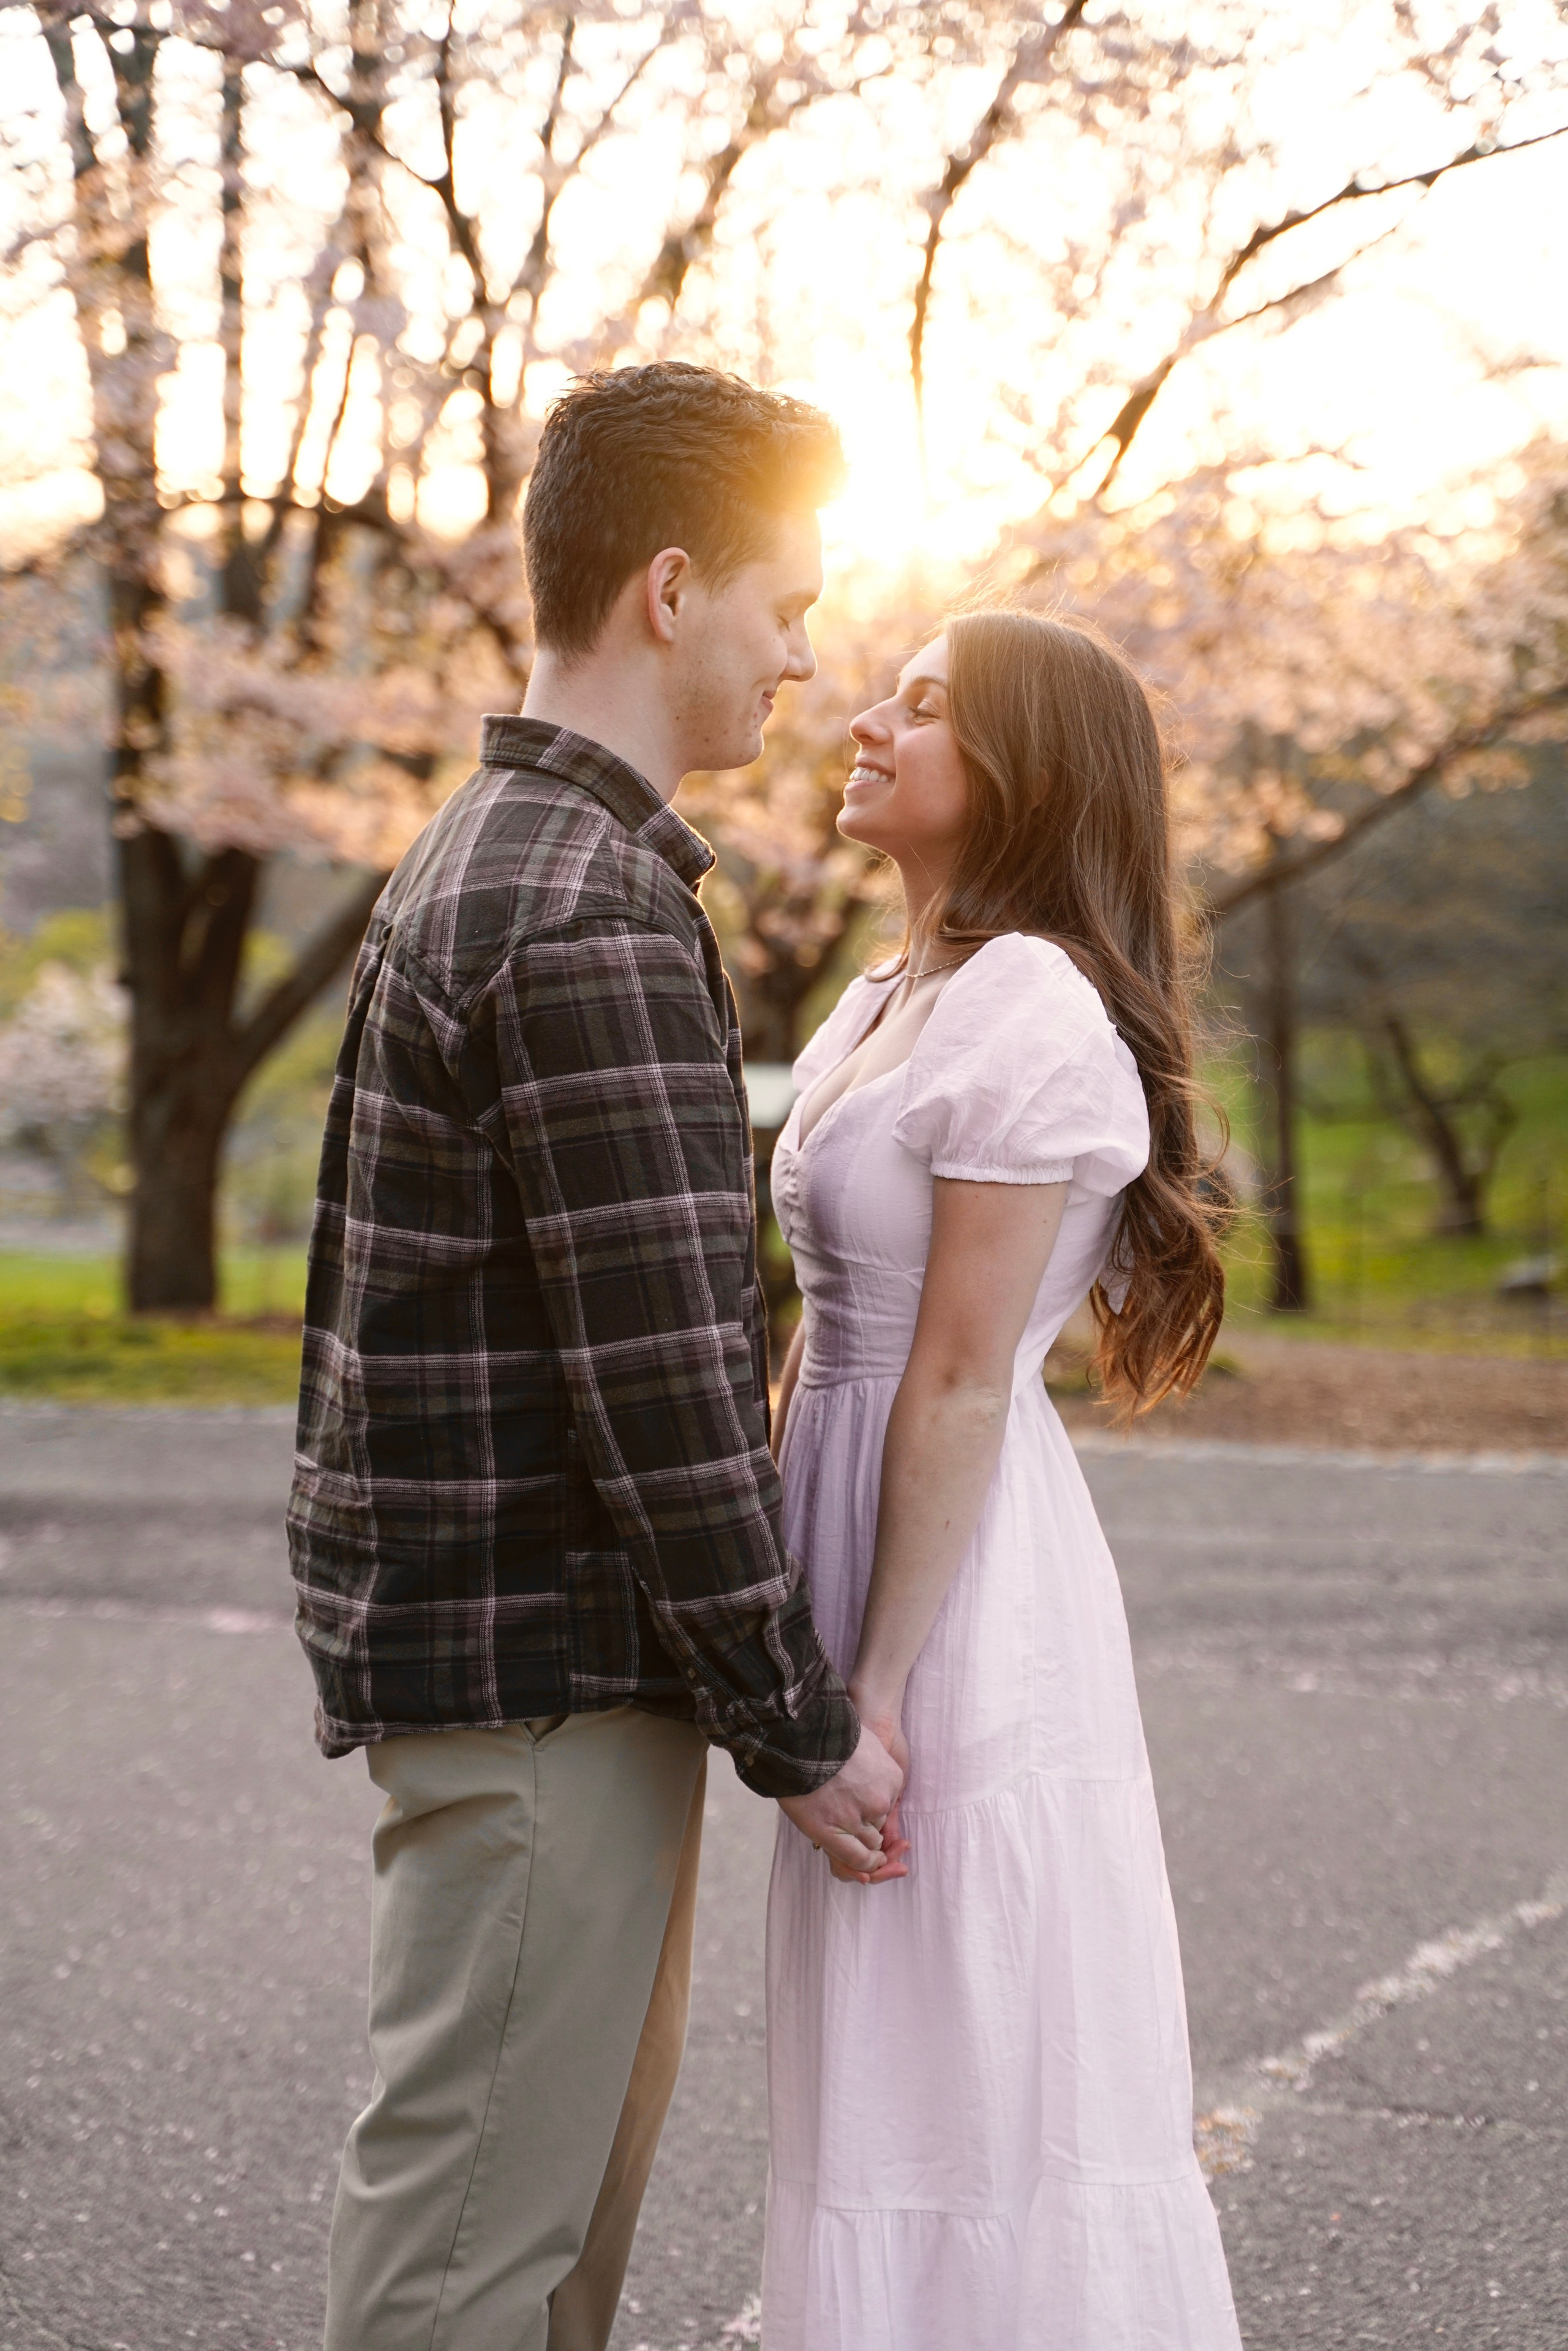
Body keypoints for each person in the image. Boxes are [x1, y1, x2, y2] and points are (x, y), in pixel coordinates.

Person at [287, 361, 903, 2351]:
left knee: (540, 2265)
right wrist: (799, 1723)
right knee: (470, 2270)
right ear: (668, 589)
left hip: (526, 1665)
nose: (802, 659)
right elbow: (664, 1394)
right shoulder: (585, 907)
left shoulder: (501, 854)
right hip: (545, 1680)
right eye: (785, 606)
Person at [762, 609, 1244, 2349]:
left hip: (949, 1593)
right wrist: (761, 1629)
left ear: (1023, 773)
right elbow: (819, 1325)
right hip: (842, 1556)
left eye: (924, 708)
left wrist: (865, 1690)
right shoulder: (888, 996)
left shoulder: (1032, 1005)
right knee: (878, 2074)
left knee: (970, 2059)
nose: (867, 721)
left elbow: (961, 1372)